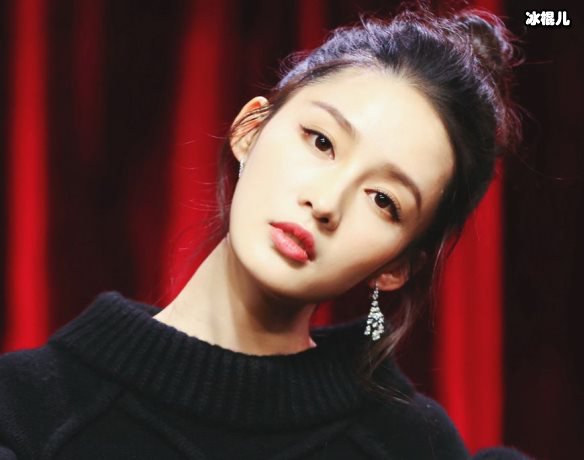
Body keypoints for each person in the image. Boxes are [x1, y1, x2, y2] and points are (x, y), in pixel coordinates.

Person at [0, 4, 530, 459]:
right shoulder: (27, 411)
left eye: (383, 200)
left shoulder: (412, 445)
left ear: (397, 266)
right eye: (321, 142)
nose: (326, 203)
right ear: (249, 130)